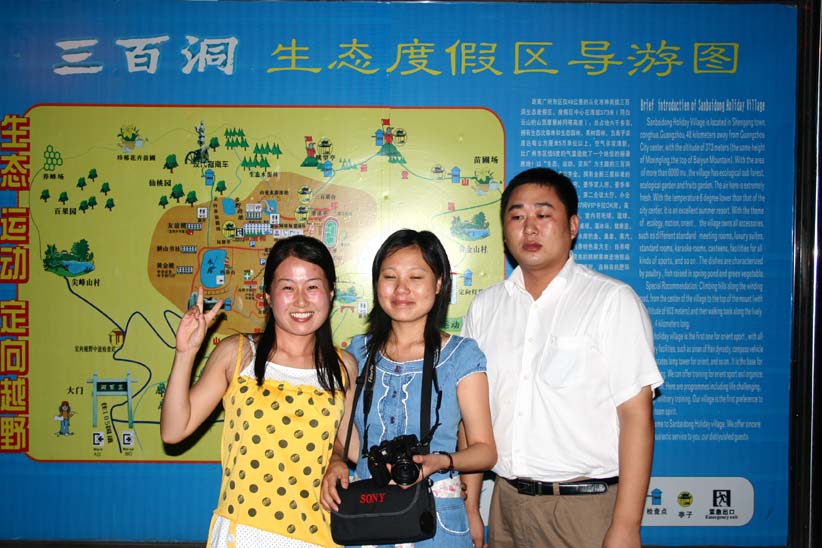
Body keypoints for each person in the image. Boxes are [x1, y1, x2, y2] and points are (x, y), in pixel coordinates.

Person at [461, 167, 664, 548]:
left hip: (584, 511)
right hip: (505, 504)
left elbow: (636, 417)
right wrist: (470, 505)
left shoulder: (611, 301)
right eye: (517, 217)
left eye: (543, 214)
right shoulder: (486, 308)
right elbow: (472, 419)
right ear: (504, 231)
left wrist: (626, 525)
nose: (529, 228)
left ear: (573, 226)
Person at [161, 235, 358, 548]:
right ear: (268, 295)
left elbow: (350, 445)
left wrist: (336, 459)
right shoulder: (238, 354)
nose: (301, 301)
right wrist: (185, 354)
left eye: (312, 286)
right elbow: (174, 431)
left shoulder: (343, 366)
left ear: (331, 292)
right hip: (244, 533)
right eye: (287, 288)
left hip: (317, 534)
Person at [321, 229, 497, 548]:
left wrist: (440, 461)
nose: (401, 289)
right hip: (369, 516)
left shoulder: (462, 356)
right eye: (390, 277)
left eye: (416, 277)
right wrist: (335, 459)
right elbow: (345, 439)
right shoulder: (356, 354)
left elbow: (485, 451)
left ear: (439, 283)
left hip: (438, 521)